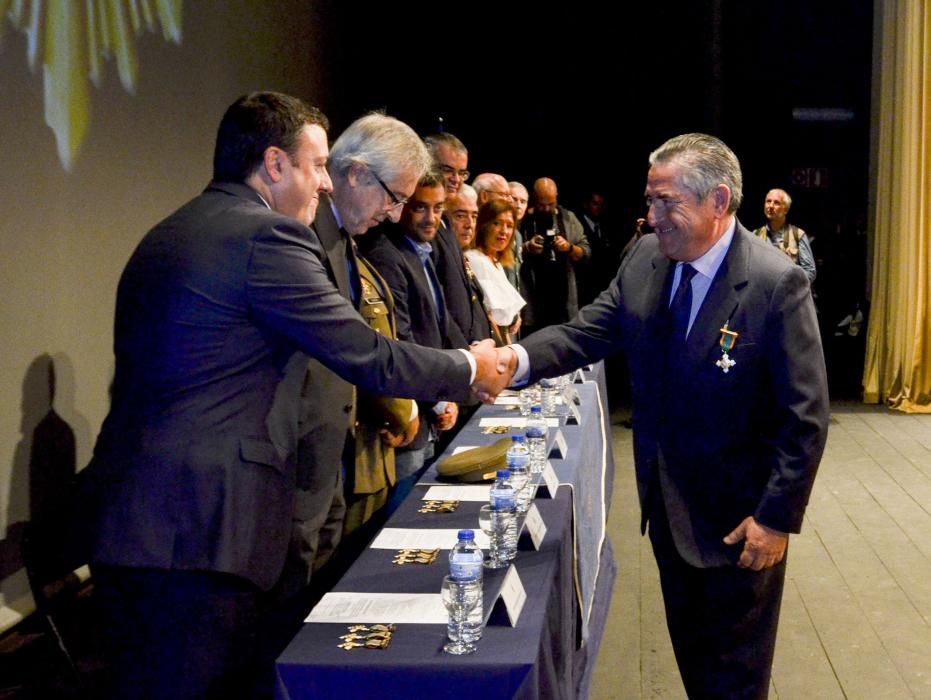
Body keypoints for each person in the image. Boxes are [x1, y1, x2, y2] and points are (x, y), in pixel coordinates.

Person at [79, 92, 506, 699]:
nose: (326, 184)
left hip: (141, 522)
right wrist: (469, 366)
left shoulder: (175, 229)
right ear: (275, 164)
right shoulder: (266, 239)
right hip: (200, 534)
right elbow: (365, 352)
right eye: (317, 166)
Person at [493, 133, 829, 699]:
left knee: (736, 680)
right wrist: (513, 358)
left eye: (666, 202)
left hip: (739, 526)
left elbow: (806, 416)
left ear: (718, 201)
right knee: (696, 667)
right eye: (650, 201)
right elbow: (587, 332)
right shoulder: (646, 259)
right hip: (668, 515)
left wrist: (775, 519)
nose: (651, 216)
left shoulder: (775, 284)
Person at [281, 113, 428, 600]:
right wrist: (462, 373)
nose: (393, 214)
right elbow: (353, 349)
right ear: (358, 173)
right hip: (297, 470)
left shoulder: (344, 242)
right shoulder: (300, 239)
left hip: (336, 464)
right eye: (395, 198)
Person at [358, 170, 461, 508]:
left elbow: (438, 329)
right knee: (402, 524)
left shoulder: (423, 251)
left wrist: (449, 393)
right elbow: (401, 339)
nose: (432, 218)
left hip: (429, 410)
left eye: (439, 208)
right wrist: (440, 400)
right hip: (406, 414)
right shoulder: (386, 254)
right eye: (420, 208)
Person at [519, 177, 590, 331]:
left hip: (563, 300)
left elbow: (586, 251)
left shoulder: (568, 218)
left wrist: (569, 247)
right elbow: (508, 253)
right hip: (533, 300)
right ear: (534, 198)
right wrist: (527, 248)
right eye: (541, 204)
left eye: (550, 204)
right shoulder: (523, 220)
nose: (545, 209)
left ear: (556, 197)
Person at [464, 200, 525, 344]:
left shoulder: (495, 261)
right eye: (497, 223)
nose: (504, 231)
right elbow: (489, 316)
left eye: (509, 226)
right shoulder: (476, 260)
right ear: (484, 225)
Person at [754, 188, 816, 284]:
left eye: (776, 203)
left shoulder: (797, 235)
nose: (771, 206)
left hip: (789, 295)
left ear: (786, 209)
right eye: (768, 201)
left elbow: (810, 271)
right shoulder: (755, 235)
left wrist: (790, 285)